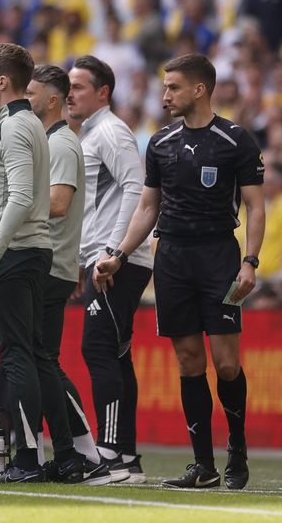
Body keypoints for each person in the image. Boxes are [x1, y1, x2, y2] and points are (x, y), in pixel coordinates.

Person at [96, 54, 263, 490]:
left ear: (199, 90)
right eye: (165, 87)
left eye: (173, 87)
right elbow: (147, 206)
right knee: (189, 362)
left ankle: (238, 449)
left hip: (219, 260)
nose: (165, 94)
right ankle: (203, 466)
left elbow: (255, 205)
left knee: (226, 365)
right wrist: (118, 252)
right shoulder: (160, 141)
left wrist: (250, 261)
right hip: (171, 259)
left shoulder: (235, 140)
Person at [0, 43, 94, 483]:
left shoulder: (16, 128)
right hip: (32, 251)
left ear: (3, 82)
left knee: (18, 355)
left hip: (19, 252)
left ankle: (26, 459)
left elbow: (23, 196)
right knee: (38, 358)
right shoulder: (29, 126)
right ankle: (65, 454)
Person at [25, 64, 112, 483]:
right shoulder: (50, 141)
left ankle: (83, 449)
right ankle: (79, 450)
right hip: (54, 262)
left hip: (48, 263)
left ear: (52, 99)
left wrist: (5, 207)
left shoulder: (60, 143)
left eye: (32, 92)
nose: (27, 98)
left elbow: (58, 204)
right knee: (42, 361)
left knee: (43, 363)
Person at [68, 55, 153, 481]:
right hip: (103, 258)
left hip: (118, 260)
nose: (70, 93)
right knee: (114, 353)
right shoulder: (92, 133)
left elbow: (136, 189)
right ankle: (126, 455)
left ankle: (112, 450)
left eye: (79, 86)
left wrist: (114, 251)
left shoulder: (112, 131)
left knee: (100, 350)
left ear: (103, 92)